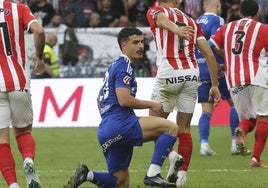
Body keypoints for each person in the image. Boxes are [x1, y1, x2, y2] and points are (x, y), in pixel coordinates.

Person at [64, 26, 194, 188]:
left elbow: (99, 98)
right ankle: (153, 173)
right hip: (120, 123)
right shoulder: (124, 66)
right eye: (135, 42)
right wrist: (151, 104)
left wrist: (110, 121)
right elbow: (124, 100)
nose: (141, 46)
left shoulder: (115, 66)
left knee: (120, 182)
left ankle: (87, 174)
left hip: (106, 129)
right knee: (171, 128)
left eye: (142, 42)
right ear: (124, 45)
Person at [146, 0, 221, 187]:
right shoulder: (191, 21)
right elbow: (209, 55)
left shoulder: (156, 10)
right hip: (191, 75)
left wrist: (175, 30)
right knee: (185, 128)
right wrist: (214, 85)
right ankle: (181, 177)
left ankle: (171, 157)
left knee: (154, 125)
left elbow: (161, 19)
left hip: (169, 73)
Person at [209, 0, 268, 167]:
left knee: (248, 118)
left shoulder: (226, 28)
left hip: (234, 80)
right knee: (263, 117)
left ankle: (240, 132)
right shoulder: (263, 29)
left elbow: (209, 46)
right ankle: (256, 159)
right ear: (258, 13)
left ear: (240, 13)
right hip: (257, 78)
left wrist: (223, 61)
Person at [0, 0, 46, 187]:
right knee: (23, 131)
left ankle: (13, 184)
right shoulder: (19, 8)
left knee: (2, 140)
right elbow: (40, 31)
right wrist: (39, 56)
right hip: (18, 81)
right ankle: (28, 159)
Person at [195, 0, 245, 156]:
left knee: (206, 110)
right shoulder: (217, 20)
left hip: (200, 70)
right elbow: (215, 44)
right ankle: (234, 144)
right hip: (218, 69)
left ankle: (204, 145)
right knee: (234, 104)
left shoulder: (196, 21)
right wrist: (227, 60)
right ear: (218, 5)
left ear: (203, 6)